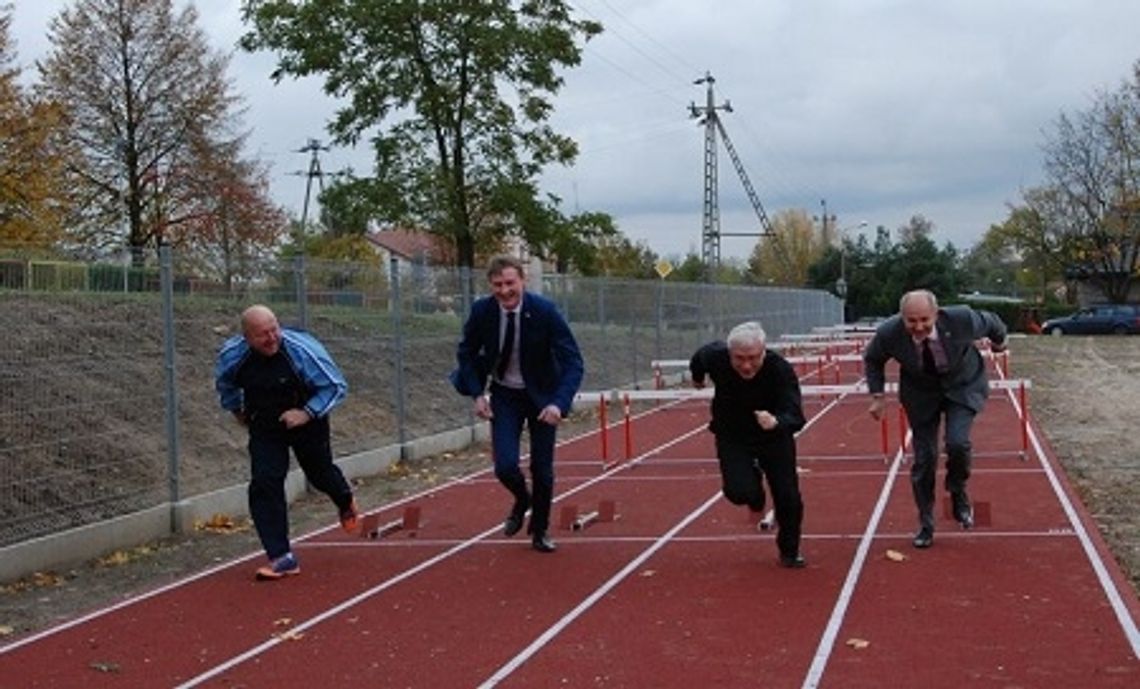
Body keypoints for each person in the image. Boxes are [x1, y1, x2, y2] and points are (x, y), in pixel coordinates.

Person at [450, 255, 584, 553]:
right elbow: (466, 353)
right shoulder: (483, 311)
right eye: (498, 285)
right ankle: (522, 499)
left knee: (542, 468)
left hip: (542, 397)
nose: (505, 291)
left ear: (522, 281)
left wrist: (559, 404)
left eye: (510, 283)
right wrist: (477, 394)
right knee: (505, 465)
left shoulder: (545, 311)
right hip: (505, 394)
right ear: (490, 285)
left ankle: (539, 529)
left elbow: (573, 362)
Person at [215, 304, 360, 580]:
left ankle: (344, 499)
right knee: (265, 481)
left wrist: (306, 413)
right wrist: (236, 409)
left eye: (274, 330)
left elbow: (336, 386)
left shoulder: (301, 351)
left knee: (320, 474)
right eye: (262, 335)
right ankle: (281, 556)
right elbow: (225, 384)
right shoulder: (232, 356)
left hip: (307, 416)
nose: (271, 339)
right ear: (246, 338)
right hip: (265, 423)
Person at [863, 289, 1008, 549]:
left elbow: (994, 323)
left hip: (963, 385)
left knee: (957, 443)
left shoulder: (962, 319)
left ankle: (957, 490)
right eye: (911, 321)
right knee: (925, 459)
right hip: (921, 393)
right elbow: (873, 359)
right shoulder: (889, 333)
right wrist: (877, 395)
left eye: (924, 320)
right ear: (901, 317)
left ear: (936, 314)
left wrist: (999, 343)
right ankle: (926, 523)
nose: (918, 327)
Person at [689, 321, 808, 568]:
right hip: (733, 433)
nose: (746, 365)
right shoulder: (716, 356)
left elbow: (796, 416)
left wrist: (777, 421)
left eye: (753, 358)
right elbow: (699, 358)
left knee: (788, 497)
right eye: (739, 358)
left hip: (774, 436)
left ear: (764, 351)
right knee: (737, 491)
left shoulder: (780, 370)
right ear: (729, 354)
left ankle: (789, 551)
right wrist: (697, 377)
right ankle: (755, 495)